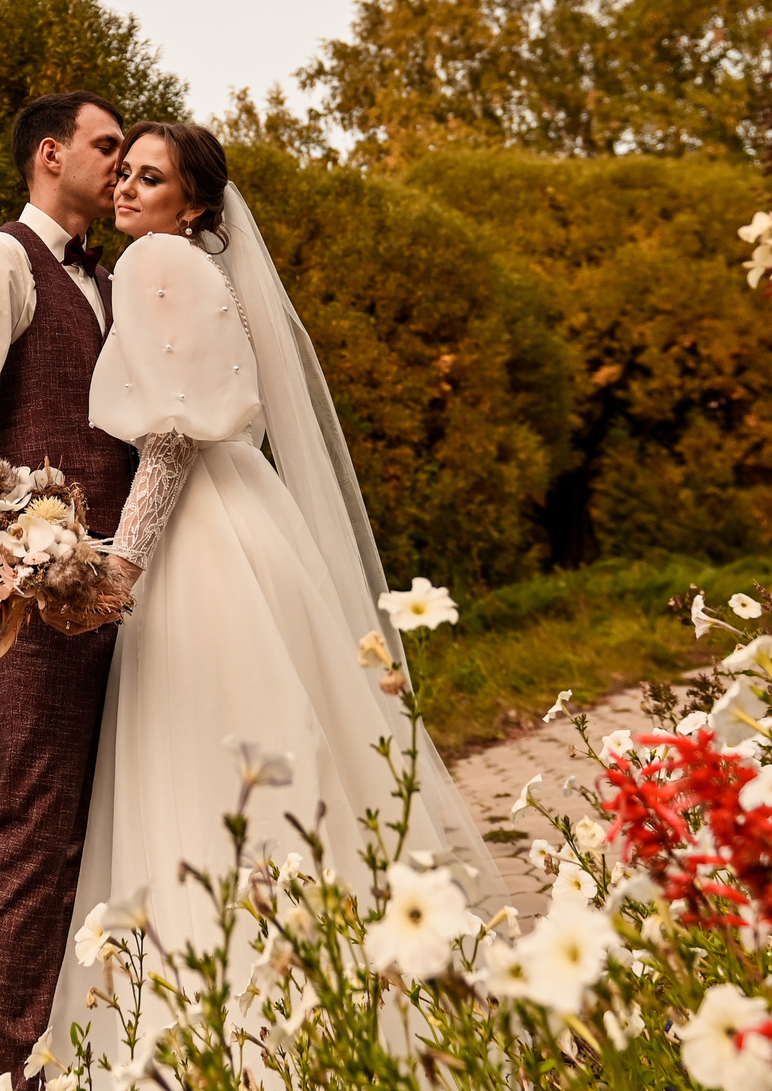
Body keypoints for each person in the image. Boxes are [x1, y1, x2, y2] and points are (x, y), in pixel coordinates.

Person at [47, 121, 502, 1059]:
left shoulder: (149, 267)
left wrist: (121, 563)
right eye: (123, 173)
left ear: (198, 204)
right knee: (283, 737)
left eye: (151, 179)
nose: (127, 191)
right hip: (253, 517)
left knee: (202, 748)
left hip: (196, 534)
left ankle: (227, 1022)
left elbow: (171, 435)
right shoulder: (206, 272)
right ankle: (345, 991)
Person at [0, 90, 134, 1085]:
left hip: (117, 594)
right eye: (106, 146)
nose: (122, 161)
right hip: (42, 595)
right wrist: (30, 535)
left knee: (104, 824)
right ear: (50, 155)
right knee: (35, 832)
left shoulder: (108, 279)